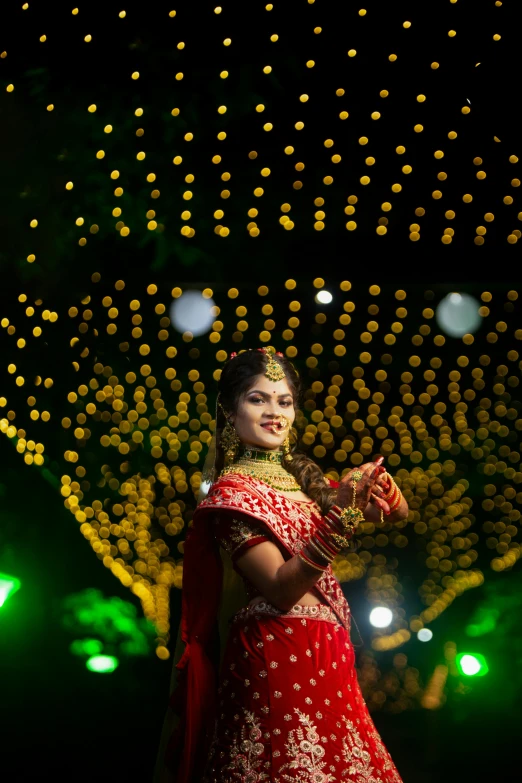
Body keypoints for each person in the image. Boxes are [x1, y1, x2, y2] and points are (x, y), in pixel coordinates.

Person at [154, 347, 409, 783]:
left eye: (284, 401)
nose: (275, 413)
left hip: (329, 652)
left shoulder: (302, 483)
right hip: (275, 652)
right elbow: (280, 587)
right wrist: (343, 517)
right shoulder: (231, 497)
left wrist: (378, 487)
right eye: (258, 399)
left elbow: (393, 514)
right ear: (230, 412)